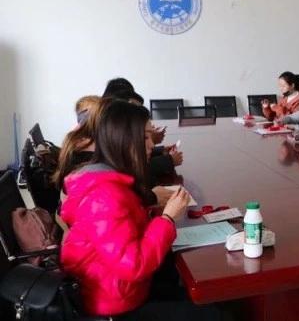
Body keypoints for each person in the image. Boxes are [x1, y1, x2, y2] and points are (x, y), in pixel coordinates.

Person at [60, 100, 220, 320]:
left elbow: (125, 233)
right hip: (114, 305)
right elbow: (133, 265)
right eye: (145, 137)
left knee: (199, 291)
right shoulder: (104, 197)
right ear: (124, 141)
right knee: (212, 313)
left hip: (122, 289)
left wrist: (153, 211)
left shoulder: (110, 179)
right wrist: (168, 218)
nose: (151, 145)